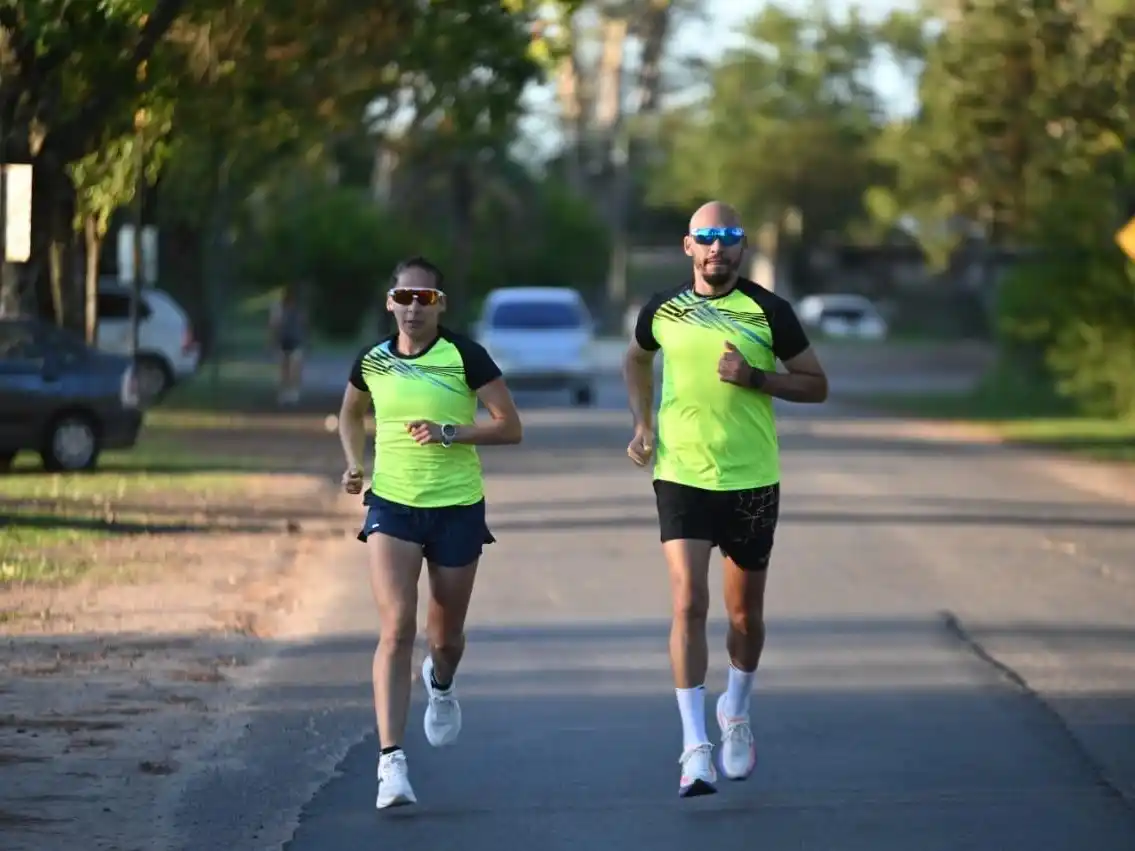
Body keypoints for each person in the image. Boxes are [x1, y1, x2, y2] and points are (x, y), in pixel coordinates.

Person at [622, 201, 829, 798]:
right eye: (707, 237)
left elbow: (817, 384)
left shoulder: (769, 311)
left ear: (741, 247)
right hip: (682, 474)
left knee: (744, 617)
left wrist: (757, 379)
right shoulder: (662, 310)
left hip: (751, 479)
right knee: (688, 602)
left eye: (729, 237)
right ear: (689, 246)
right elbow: (636, 358)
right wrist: (642, 424)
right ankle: (694, 747)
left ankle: (734, 712)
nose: (719, 248)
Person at [337, 256, 523, 809]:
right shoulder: (372, 361)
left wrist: (451, 432)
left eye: (426, 298)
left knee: (444, 639)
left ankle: (440, 683)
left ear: (440, 304)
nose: (414, 307)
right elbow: (350, 414)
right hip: (392, 505)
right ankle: (391, 762)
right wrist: (354, 463)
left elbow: (510, 427)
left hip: (457, 508)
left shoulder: (465, 356)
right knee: (396, 627)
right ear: (389, 302)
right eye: (405, 296)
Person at [268, 283, 307, 405]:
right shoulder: (279, 309)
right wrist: (272, 341)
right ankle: (284, 391)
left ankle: (293, 391)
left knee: (295, 366)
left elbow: (304, 324)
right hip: (284, 340)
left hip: (296, 341)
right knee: (284, 367)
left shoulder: (299, 308)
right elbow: (274, 325)